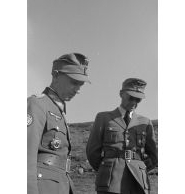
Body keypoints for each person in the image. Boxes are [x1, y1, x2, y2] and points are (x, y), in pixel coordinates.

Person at [27, 53, 90, 194]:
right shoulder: (37, 104)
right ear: (56, 75)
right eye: (74, 82)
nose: (78, 89)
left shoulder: (59, 112)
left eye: (81, 84)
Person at [86, 78, 157, 194]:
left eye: (138, 99)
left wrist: (140, 168)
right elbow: (92, 151)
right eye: (131, 97)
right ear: (121, 94)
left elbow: (154, 156)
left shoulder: (146, 122)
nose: (134, 102)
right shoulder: (103, 118)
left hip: (138, 183)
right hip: (111, 183)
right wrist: (107, 169)